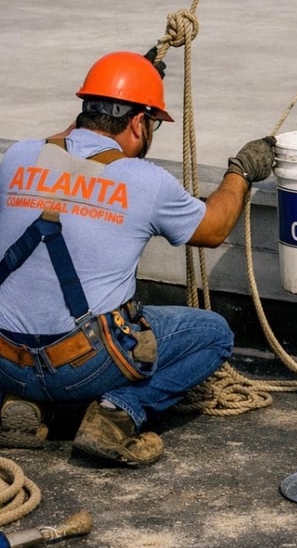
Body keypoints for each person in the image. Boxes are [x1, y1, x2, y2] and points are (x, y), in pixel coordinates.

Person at [0, 50, 276, 467]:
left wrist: (120, 92)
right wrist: (240, 171)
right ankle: (116, 414)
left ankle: (20, 402)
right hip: (83, 365)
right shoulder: (145, 181)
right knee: (213, 334)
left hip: (6, 361)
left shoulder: (17, 157)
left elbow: (65, 144)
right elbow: (215, 228)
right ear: (137, 123)